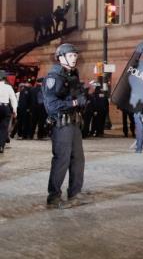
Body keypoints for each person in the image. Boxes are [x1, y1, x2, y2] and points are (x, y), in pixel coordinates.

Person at [42, 43, 88, 209]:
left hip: (74, 122)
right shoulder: (54, 77)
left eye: (75, 56)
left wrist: (83, 100)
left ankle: (75, 193)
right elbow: (52, 105)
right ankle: (54, 197)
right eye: (70, 56)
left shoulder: (72, 76)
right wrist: (75, 102)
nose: (74, 58)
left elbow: (77, 98)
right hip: (61, 123)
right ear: (60, 57)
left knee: (78, 159)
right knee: (61, 159)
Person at [0, 71, 17, 153]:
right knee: (4, 128)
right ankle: (1, 146)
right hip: (5, 107)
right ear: (4, 78)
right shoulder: (8, 87)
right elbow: (13, 99)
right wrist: (15, 110)